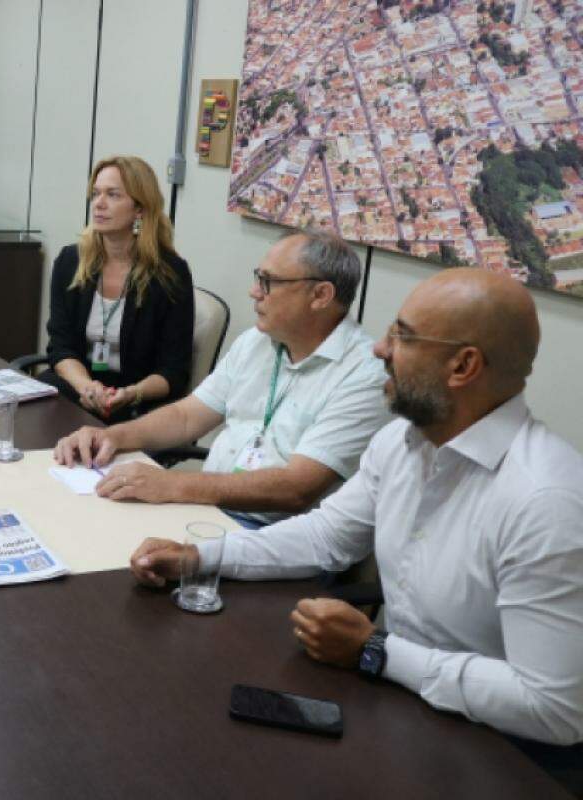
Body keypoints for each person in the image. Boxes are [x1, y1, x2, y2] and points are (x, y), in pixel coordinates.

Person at [129, 268, 583, 755]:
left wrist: (377, 651)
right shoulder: (402, 442)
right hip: (403, 705)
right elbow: (325, 536)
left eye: (402, 337)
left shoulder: (545, 501)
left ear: (462, 367)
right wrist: (200, 558)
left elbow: (553, 708)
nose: (379, 350)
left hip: (500, 752)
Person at [55, 230, 390, 527]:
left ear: (320, 296)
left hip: (275, 537)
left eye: (268, 282)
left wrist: (172, 485)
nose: (254, 292)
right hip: (210, 511)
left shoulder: (364, 375)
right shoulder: (257, 341)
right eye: (258, 278)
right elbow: (186, 417)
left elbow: (296, 489)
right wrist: (112, 436)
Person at [41, 155, 194, 422]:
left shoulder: (170, 274)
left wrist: (130, 394)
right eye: (96, 194)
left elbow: (173, 371)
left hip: (135, 405)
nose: (98, 204)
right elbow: (60, 346)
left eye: (113, 195)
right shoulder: (71, 261)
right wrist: (87, 387)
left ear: (140, 209)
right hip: (76, 392)